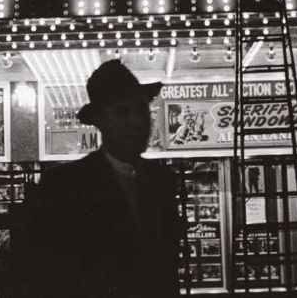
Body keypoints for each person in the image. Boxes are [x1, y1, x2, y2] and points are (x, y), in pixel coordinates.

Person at [19, 59, 183, 297]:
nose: (136, 121)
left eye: (140, 109)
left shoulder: (163, 180)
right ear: (100, 121)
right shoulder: (64, 186)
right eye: (123, 112)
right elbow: (46, 275)